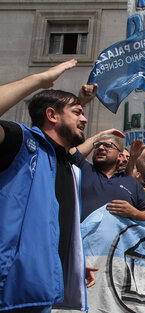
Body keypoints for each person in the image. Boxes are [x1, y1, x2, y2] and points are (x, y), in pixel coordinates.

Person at [0, 60, 97, 311]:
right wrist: (42, 79)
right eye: (77, 112)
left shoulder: (68, 166)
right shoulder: (22, 144)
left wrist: (73, 260)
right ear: (52, 115)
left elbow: (51, 226)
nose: (84, 118)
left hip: (40, 293)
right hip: (8, 291)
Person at [71, 133, 145, 222]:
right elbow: (72, 151)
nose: (100, 148)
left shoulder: (132, 183)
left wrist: (134, 213)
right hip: (82, 235)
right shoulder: (84, 170)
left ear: (120, 156)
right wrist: (101, 134)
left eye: (108, 145)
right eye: (97, 145)